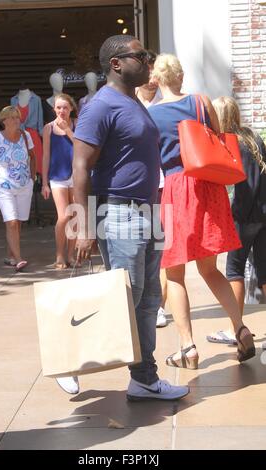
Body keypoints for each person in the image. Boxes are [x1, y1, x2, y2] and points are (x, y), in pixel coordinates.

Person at [72, 35, 189, 401]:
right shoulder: (100, 105)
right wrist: (83, 226)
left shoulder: (132, 102)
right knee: (125, 298)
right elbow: (80, 166)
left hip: (148, 210)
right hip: (119, 211)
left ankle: (143, 379)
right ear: (116, 63)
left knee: (148, 298)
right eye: (142, 56)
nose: (149, 61)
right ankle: (76, 358)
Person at [148, 54, 255, 368]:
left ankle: (188, 347)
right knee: (210, 270)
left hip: (177, 189)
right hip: (207, 186)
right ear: (179, 76)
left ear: (156, 80)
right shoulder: (200, 102)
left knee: (175, 274)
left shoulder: (151, 115)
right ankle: (241, 328)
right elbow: (217, 140)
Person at [206, 96, 266, 344]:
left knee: (234, 271)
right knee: (264, 273)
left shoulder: (230, 142)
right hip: (263, 214)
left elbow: (242, 187)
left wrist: (233, 215)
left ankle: (235, 329)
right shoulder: (253, 137)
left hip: (244, 217)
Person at [0, 106, 36, 271]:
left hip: (24, 185)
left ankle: (11, 255)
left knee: (17, 222)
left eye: (17, 117)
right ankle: (18, 258)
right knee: (11, 221)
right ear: (3, 120)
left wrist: (32, 178)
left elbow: (33, 157)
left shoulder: (26, 136)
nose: (15, 120)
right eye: (11, 117)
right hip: (4, 186)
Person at [136, 49, 168, 328]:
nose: (151, 76)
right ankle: (143, 304)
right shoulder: (129, 100)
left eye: (154, 70)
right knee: (141, 248)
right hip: (136, 187)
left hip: (164, 183)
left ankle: (158, 305)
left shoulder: (167, 102)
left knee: (160, 246)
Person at [42, 93, 78, 269]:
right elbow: (46, 155)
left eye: (65, 107)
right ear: (54, 109)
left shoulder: (77, 124)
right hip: (57, 176)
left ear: (71, 108)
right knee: (64, 215)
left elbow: (81, 145)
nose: (62, 110)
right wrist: (44, 182)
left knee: (75, 215)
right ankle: (59, 255)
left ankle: (71, 256)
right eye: (58, 107)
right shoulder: (48, 128)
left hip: (77, 175)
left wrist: (68, 130)